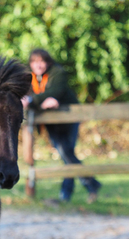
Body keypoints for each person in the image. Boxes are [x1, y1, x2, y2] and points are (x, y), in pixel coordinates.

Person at [21, 48, 101, 203]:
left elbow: (56, 91)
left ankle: (69, 194)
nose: (38, 65)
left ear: (48, 62)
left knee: (66, 154)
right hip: (50, 122)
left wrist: (33, 101)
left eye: (42, 61)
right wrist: (38, 101)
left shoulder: (58, 73)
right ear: (30, 64)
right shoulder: (29, 78)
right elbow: (29, 97)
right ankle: (88, 185)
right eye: (34, 62)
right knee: (66, 155)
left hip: (68, 119)